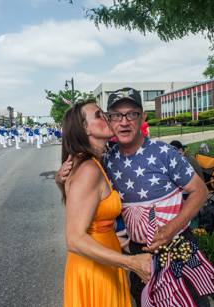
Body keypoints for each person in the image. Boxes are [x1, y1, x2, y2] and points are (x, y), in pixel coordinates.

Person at [58, 88, 214, 306]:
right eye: (115, 115)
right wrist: (62, 179)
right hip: (138, 252)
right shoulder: (105, 157)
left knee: (192, 302)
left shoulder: (164, 153)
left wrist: (172, 228)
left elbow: (200, 190)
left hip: (177, 247)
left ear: (142, 117)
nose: (124, 122)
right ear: (110, 120)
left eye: (131, 114)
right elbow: (81, 186)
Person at [61, 99, 151, 307]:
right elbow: (74, 239)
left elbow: (91, 215)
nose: (107, 117)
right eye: (99, 115)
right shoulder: (89, 170)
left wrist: (116, 240)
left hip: (105, 258)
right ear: (85, 129)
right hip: (94, 269)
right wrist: (131, 262)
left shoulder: (94, 162)